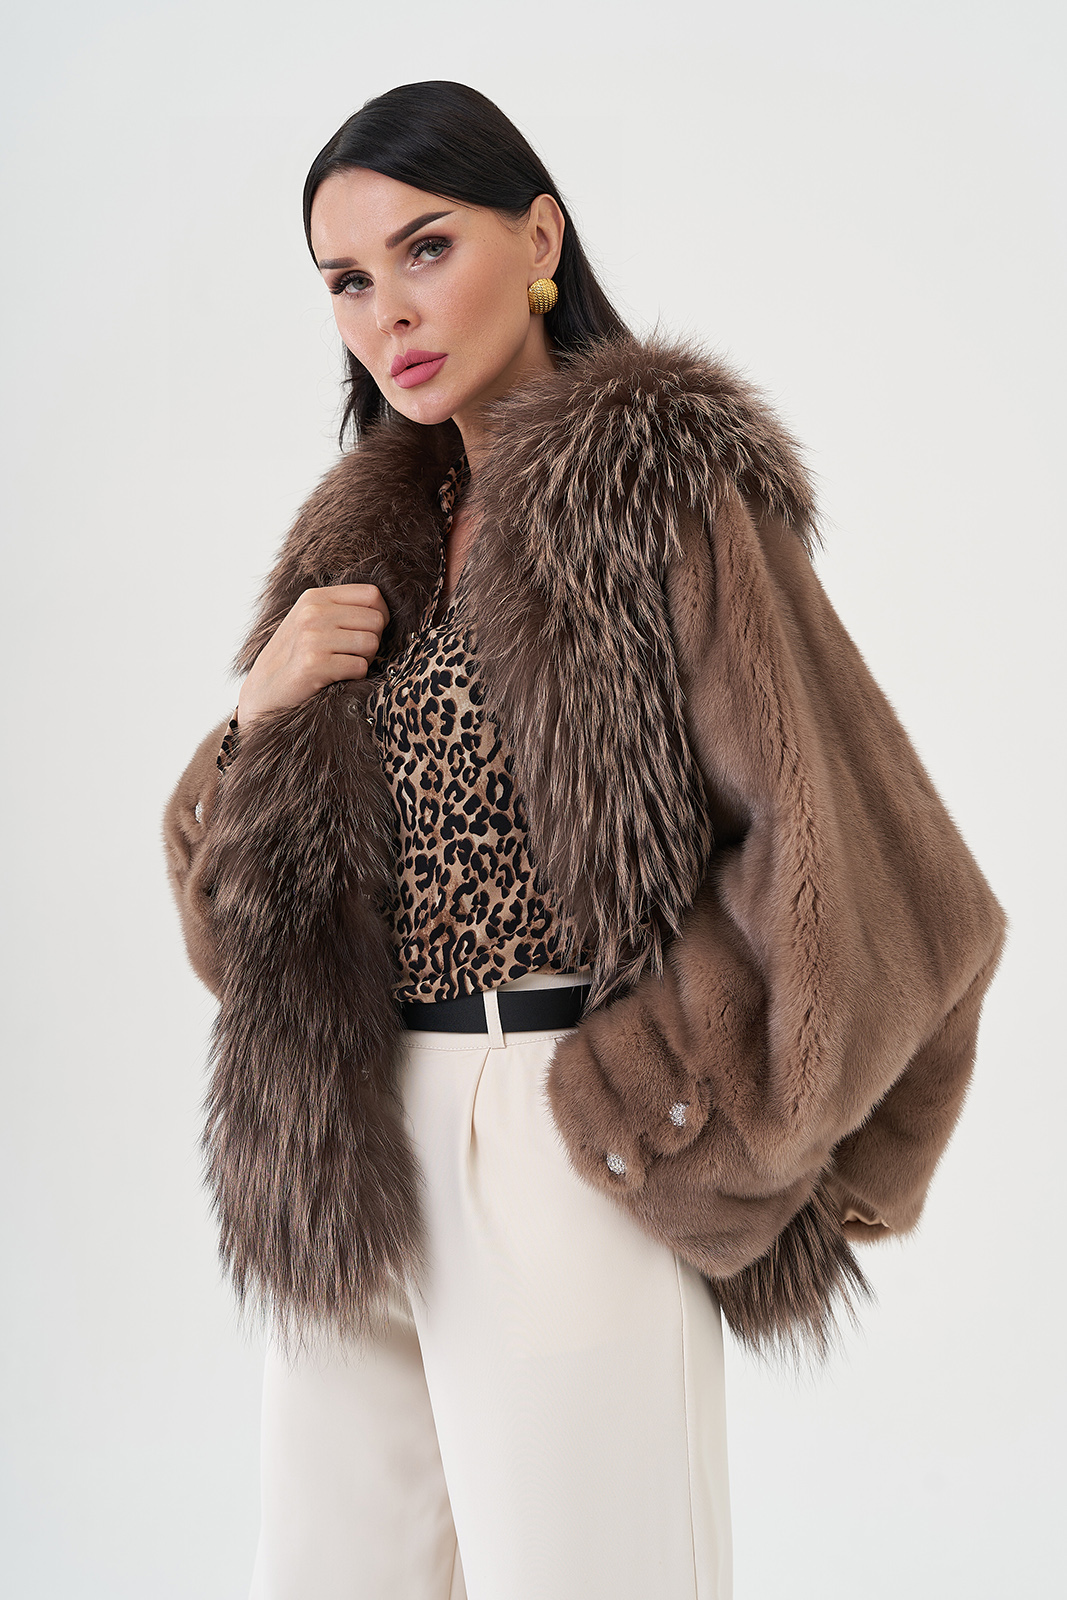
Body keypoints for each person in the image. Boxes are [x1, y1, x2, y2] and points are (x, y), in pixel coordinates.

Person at [162, 80, 1007, 1600]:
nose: (386, 314)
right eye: (346, 280)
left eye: (427, 249)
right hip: (352, 1149)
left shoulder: (661, 493)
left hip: (565, 1135)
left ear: (540, 237)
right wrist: (256, 713)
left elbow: (869, 869)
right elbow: (243, 939)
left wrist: (683, 1112)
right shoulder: (361, 543)